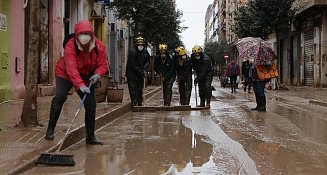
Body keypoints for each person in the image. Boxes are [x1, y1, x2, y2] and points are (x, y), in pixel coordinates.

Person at [45, 20, 108, 145]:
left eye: (87, 34)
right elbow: (71, 68)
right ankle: (50, 130)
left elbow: (103, 63)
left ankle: (90, 136)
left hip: (86, 74)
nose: (84, 37)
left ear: (91, 34)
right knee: (60, 97)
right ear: (76, 35)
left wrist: (98, 74)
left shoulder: (98, 46)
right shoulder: (71, 45)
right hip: (65, 73)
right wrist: (80, 85)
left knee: (91, 105)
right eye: (81, 34)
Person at [126, 36, 150, 107]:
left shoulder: (145, 51)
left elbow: (148, 60)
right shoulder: (133, 52)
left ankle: (140, 103)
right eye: (139, 45)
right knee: (133, 89)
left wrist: (145, 68)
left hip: (140, 73)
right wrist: (141, 72)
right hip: (132, 74)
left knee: (140, 89)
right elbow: (134, 65)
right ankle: (134, 103)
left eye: (142, 45)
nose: (140, 46)